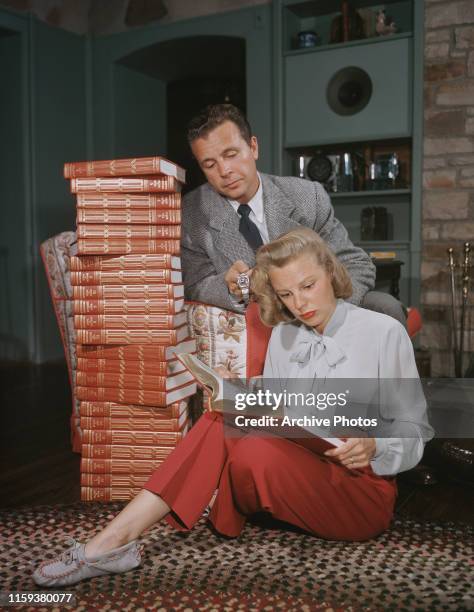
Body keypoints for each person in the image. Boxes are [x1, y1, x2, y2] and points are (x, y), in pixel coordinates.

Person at [33, 228, 432, 587]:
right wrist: (241, 395)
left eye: (308, 285)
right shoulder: (285, 335)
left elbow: (414, 429)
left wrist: (376, 445)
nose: (300, 303)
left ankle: (111, 543)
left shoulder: (383, 332)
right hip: (295, 467)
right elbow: (285, 415)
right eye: (287, 295)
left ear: (331, 271)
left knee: (246, 442)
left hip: (358, 492)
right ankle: (113, 541)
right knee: (230, 419)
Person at [182, 103, 406, 325]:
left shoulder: (306, 196)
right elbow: (195, 284)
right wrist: (232, 288)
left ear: (253, 147)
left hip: (323, 308)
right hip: (258, 317)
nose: (224, 171)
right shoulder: (192, 213)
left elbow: (354, 262)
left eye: (231, 154)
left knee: (386, 308)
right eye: (210, 164)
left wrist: (332, 314)